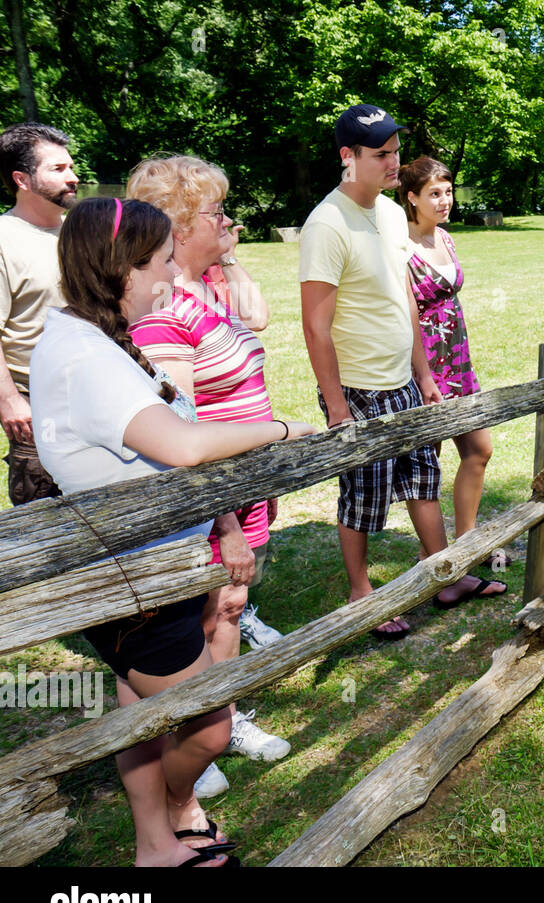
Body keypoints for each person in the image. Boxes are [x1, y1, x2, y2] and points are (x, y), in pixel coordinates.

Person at [29, 197, 315, 865]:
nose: (170, 277)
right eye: (160, 263)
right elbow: (182, 446)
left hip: (158, 569)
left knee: (141, 712)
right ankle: (171, 813)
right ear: (122, 268)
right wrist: (280, 430)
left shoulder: (100, 336)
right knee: (211, 726)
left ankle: (157, 844)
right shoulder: (85, 355)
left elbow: (175, 439)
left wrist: (219, 527)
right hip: (135, 581)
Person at [125, 154, 291, 799]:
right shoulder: (163, 312)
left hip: (240, 489)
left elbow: (258, 317)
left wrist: (223, 254)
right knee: (201, 613)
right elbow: (179, 433)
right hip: (210, 501)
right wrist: (222, 521)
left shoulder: (204, 289)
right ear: (176, 224)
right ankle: (194, 737)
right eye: (213, 212)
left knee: (229, 606)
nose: (229, 219)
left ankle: (218, 718)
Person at [300, 105, 500, 637]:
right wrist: (338, 408)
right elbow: (316, 327)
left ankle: (445, 576)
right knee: (364, 494)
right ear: (348, 157)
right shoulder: (325, 224)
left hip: (405, 376)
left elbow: (405, 300)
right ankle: (362, 593)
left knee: (421, 481)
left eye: (394, 151)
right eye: (380, 155)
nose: (393, 163)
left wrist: (425, 375)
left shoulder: (390, 214)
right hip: (358, 385)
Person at [397, 155, 508, 602]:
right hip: (424, 366)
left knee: (479, 449)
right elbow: (403, 315)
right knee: (427, 468)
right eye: (434, 194)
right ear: (411, 198)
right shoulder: (400, 247)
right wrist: (422, 375)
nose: (445, 201)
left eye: (448, 191)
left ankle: (466, 544)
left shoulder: (445, 236)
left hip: (458, 359)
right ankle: (439, 563)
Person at [0, 122, 78, 505]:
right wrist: (9, 401)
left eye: (71, 167)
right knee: (46, 523)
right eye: (58, 169)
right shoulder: (4, 239)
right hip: (37, 405)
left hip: (97, 391)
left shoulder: (80, 232)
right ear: (22, 179)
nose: (73, 177)